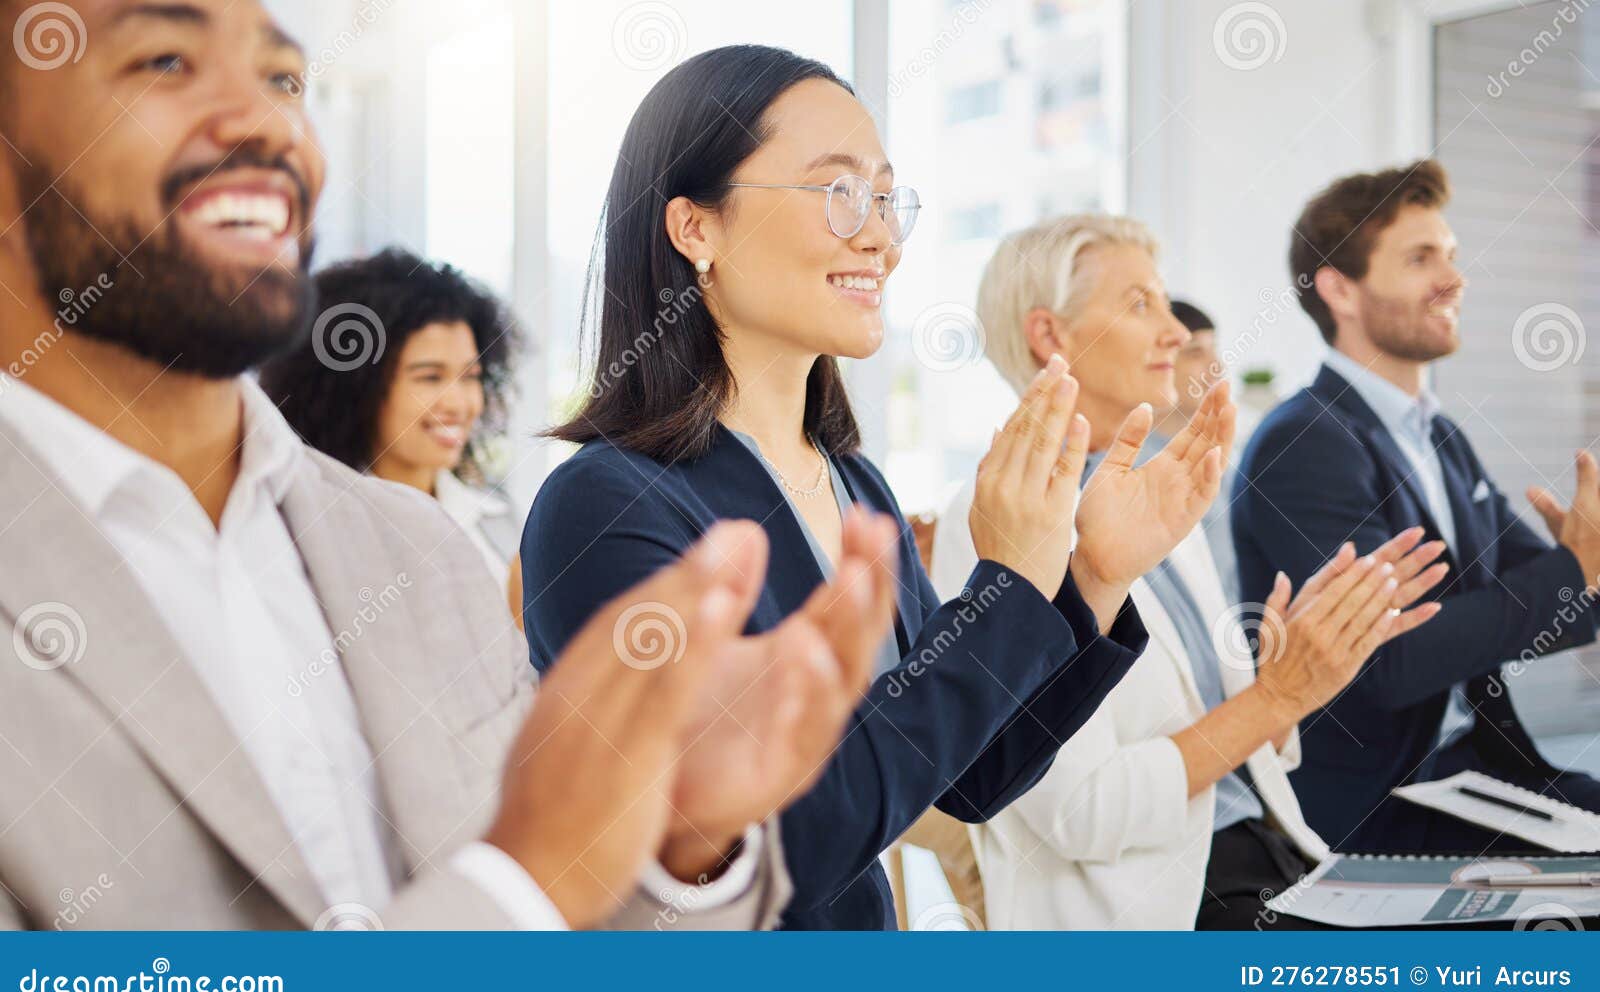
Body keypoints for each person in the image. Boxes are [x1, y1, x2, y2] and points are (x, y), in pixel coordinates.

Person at [0, 0, 899, 930]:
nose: (268, 123)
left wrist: (682, 843)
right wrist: (529, 877)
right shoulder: (601, 499)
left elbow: (585, 936)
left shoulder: (416, 555)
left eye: (283, 79)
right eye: (163, 61)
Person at [521, 45, 1234, 930]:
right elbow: (778, 845)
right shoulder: (605, 506)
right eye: (840, 193)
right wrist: (1006, 587)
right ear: (694, 227)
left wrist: (1094, 576)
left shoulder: (853, 484)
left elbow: (967, 777)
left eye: (888, 200)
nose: (882, 239)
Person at [930, 214, 1444, 929]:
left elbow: (1230, 736)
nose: (1175, 330)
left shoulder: (1158, 484)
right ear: (1050, 336)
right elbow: (1082, 813)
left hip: (1271, 854)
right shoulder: (992, 519)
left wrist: (1289, 676)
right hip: (1163, 910)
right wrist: (1273, 699)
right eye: (1140, 304)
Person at [1233, 158, 1600, 853]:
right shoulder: (1304, 444)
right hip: (1371, 810)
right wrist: (1574, 568)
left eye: (1452, 256)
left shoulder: (1439, 436)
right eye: (1421, 257)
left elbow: (1546, 592)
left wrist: (1591, 564)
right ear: (1341, 289)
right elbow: (1387, 659)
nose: (1454, 278)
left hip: (1475, 772)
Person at [260, 248, 527, 623]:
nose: (459, 403)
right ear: (359, 387)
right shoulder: (310, 526)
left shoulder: (496, 514)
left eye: (470, 377)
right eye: (429, 377)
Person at [1156, 299, 1239, 602]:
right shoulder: (1142, 470)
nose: (1216, 365)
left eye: (1213, 349)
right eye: (1195, 353)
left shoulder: (1224, 452)